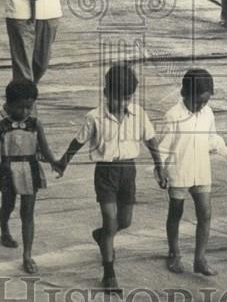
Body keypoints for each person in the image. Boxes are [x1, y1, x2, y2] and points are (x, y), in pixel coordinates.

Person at [55, 63, 167, 292]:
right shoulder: (94, 117)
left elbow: (151, 140)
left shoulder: (138, 114)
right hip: (105, 173)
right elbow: (78, 141)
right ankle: (109, 273)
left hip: (128, 172)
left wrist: (160, 166)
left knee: (124, 221)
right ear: (106, 93)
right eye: (118, 98)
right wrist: (63, 162)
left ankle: (102, 236)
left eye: (127, 98)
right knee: (109, 219)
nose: (123, 103)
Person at [157, 69, 227, 276]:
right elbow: (162, 148)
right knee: (176, 212)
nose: (201, 106)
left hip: (200, 170)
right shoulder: (173, 116)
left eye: (205, 101)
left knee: (205, 213)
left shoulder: (208, 113)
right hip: (179, 172)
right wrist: (161, 171)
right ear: (185, 94)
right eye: (197, 101)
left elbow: (213, 139)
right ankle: (174, 253)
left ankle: (200, 259)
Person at [0, 79, 61, 274]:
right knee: (8, 206)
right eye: (20, 107)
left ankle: (27, 255)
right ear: (8, 105)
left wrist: (56, 163)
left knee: (27, 213)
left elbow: (45, 148)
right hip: (8, 171)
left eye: (29, 107)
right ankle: (4, 230)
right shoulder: (1, 126)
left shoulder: (36, 124)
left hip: (30, 169)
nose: (25, 111)